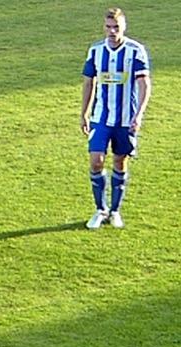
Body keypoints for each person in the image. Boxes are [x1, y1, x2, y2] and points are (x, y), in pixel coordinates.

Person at [81, 7, 151, 230]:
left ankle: (115, 211)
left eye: (116, 27)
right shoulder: (95, 51)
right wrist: (84, 113)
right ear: (104, 27)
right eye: (108, 27)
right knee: (96, 160)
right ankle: (100, 209)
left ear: (124, 27)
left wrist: (139, 115)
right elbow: (88, 83)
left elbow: (144, 85)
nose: (112, 31)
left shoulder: (135, 51)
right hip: (100, 118)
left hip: (125, 120)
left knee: (120, 161)